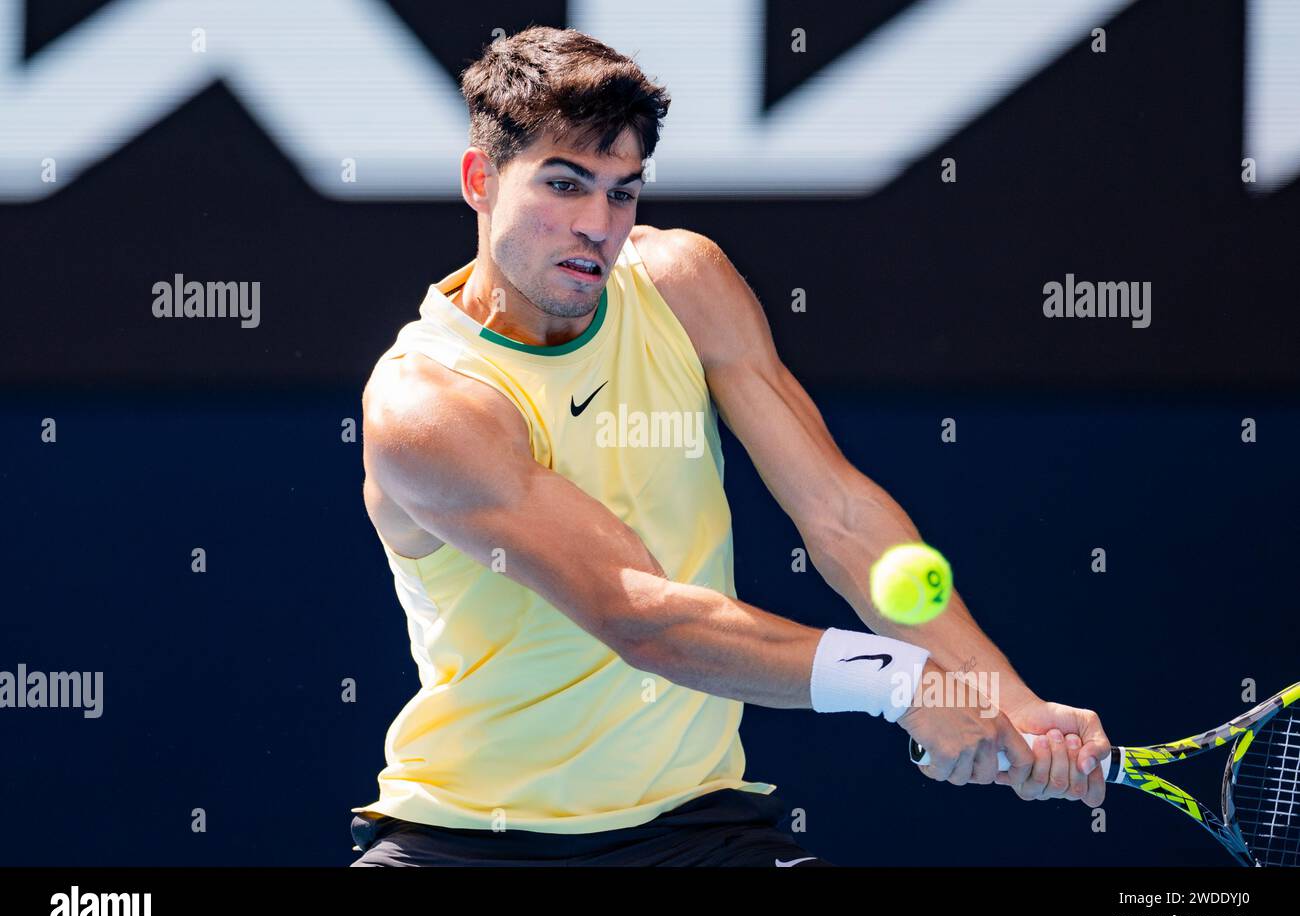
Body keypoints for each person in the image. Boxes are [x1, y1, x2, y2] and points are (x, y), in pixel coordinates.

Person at [349, 25, 1109, 867]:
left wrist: (990, 689)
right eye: (564, 186)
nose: (597, 225)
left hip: (695, 832)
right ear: (479, 180)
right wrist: (900, 681)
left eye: (622, 192)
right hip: (465, 847)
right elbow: (641, 616)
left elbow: (841, 513)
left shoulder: (682, 282)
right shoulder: (427, 404)